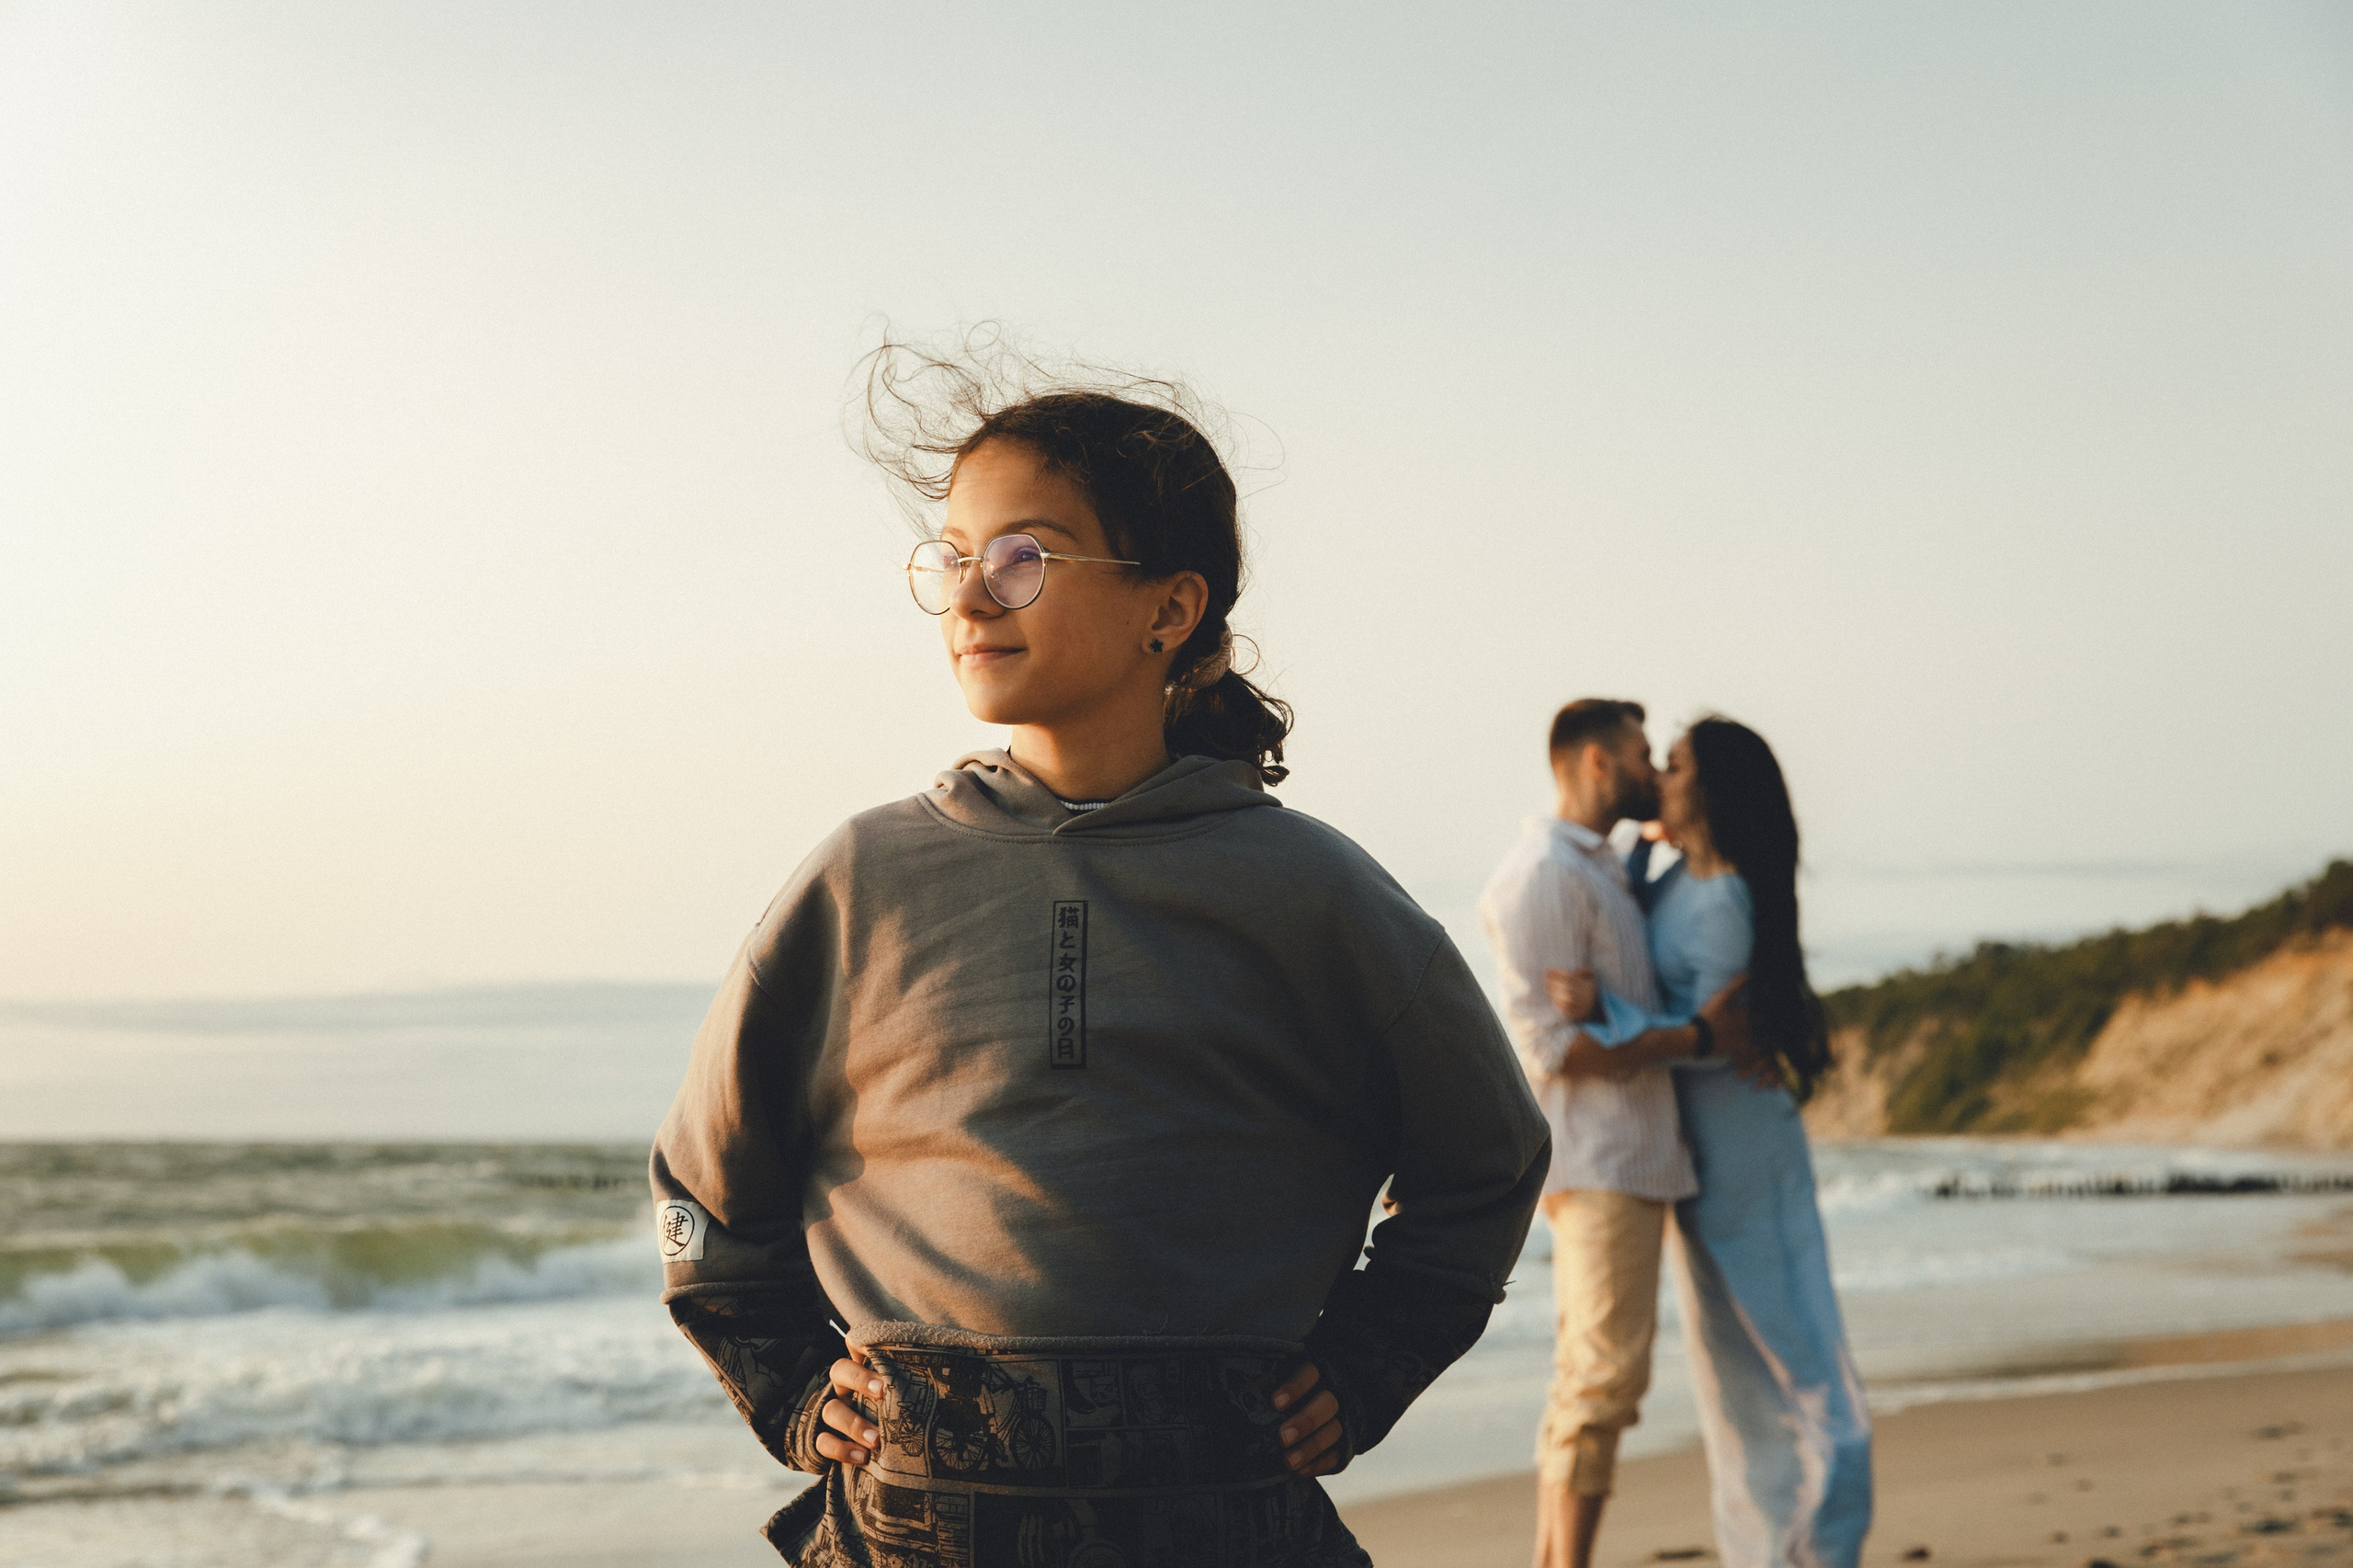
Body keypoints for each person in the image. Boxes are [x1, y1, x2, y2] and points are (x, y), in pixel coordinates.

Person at [650, 347, 1552, 1568]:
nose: (972, 599)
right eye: (953, 558)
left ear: (1167, 610)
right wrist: (793, 1386)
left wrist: (1365, 1363)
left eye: (1022, 557)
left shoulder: (1312, 892)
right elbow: (704, 1183)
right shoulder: (862, 881)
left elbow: (1488, 1158)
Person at [1547, 717, 1873, 1567]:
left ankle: (1828, 1543)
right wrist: (1649, 841)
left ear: (1713, 789)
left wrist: (1603, 1016)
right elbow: (1665, 994)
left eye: (1677, 764)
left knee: (1800, 1357)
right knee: (1730, 1379)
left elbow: (1710, 1038)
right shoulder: (1665, 874)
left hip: (1746, 1150)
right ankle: (1763, 1552)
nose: (1659, 773)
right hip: (1693, 1160)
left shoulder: (1726, 897)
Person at [1477, 700, 1753, 1568]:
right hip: (1600, 1161)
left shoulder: (1601, 865)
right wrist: (1686, 1036)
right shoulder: (1543, 875)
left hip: (1633, 1156)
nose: (1653, 770)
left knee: (1595, 1376)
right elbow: (1549, 1049)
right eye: (1641, 754)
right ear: (1597, 762)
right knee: (1603, 1379)